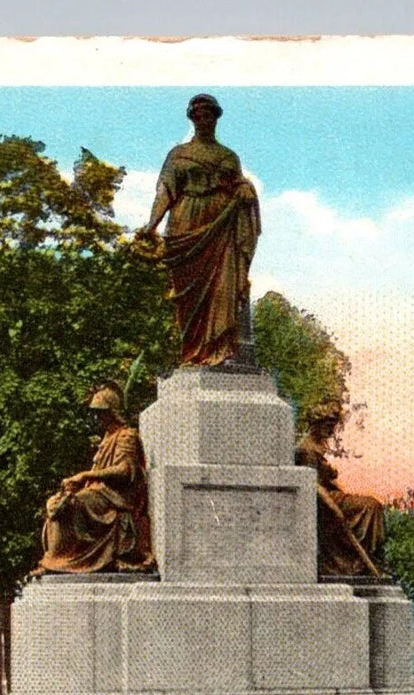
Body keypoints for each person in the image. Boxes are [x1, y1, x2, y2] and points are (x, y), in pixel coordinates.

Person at [138, 93, 261, 367]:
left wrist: (244, 188)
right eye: (199, 115)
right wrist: (151, 224)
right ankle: (193, 353)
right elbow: (165, 191)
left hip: (222, 225)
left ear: (216, 118)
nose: (205, 120)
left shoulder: (228, 156)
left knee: (222, 290)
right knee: (187, 296)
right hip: (186, 223)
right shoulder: (178, 154)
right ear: (192, 119)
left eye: (210, 115)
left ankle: (220, 350)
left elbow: (238, 186)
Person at [35, 384, 156, 575]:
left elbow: (125, 470)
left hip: (115, 496)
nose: (98, 418)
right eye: (96, 413)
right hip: (98, 493)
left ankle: (69, 560)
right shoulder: (106, 439)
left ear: (112, 412)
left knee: (75, 504)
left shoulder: (127, 435)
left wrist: (85, 475)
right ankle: (59, 559)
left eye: (101, 413)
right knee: (58, 503)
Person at [294, 402, 386, 576]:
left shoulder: (317, 445)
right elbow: (313, 485)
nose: (331, 431)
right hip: (323, 501)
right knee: (371, 506)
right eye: (328, 426)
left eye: (333, 426)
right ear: (316, 424)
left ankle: (369, 559)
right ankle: (364, 562)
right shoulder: (306, 449)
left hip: (333, 495)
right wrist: (334, 508)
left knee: (373, 505)